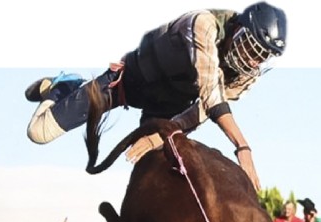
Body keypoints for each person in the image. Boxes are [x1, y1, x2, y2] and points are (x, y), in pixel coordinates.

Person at [25, 3, 286, 191]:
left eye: (261, 56)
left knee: (155, 170)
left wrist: (161, 134)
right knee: (39, 133)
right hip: (126, 84)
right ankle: (65, 86)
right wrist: (243, 147)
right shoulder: (203, 23)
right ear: (238, 28)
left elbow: (202, 112)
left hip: (167, 110)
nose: (252, 60)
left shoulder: (248, 74)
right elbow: (211, 97)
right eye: (251, 48)